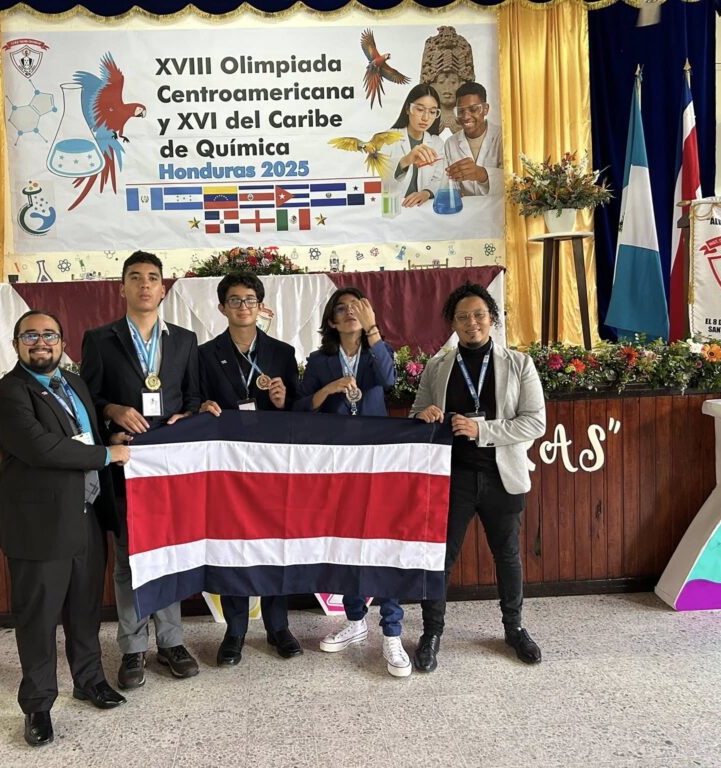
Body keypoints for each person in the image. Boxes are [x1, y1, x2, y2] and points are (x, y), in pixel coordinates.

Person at [0, 310, 130, 747]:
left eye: (49, 335)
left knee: (85, 609)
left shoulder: (74, 383)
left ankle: (88, 681)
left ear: (62, 342)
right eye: (30, 335)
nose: (41, 342)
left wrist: (113, 443)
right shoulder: (8, 393)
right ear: (16, 345)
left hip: (86, 515)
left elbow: (86, 433)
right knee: (38, 618)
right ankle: (37, 706)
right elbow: (43, 447)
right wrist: (108, 456)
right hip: (39, 526)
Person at [410, 282, 545, 671]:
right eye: (463, 316)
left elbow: (534, 422)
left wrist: (482, 431)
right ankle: (432, 632)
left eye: (479, 315)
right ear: (452, 322)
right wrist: (423, 416)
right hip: (451, 479)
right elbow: (417, 411)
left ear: (492, 318)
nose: (472, 323)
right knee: (440, 558)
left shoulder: (519, 364)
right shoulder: (438, 367)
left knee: (507, 556)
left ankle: (514, 629)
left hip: (502, 477)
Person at [80, 251, 201, 688]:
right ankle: (132, 649)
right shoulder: (99, 339)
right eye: (136, 278)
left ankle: (171, 642)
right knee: (130, 558)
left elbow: (193, 400)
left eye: (153, 278)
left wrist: (187, 417)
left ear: (163, 288)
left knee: (168, 553)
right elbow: (85, 402)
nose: (145, 285)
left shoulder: (185, 341)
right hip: (125, 464)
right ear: (122, 287)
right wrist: (111, 410)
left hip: (168, 469)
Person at [295, 289, 410, 677]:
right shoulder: (319, 360)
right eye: (341, 309)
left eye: (357, 307)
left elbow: (389, 380)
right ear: (330, 320)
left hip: (378, 460)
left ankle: (392, 630)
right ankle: (355, 619)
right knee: (346, 541)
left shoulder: (378, 349)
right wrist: (328, 389)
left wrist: (374, 327)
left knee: (383, 542)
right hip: (338, 463)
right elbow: (301, 406)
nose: (349, 314)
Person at [196, 273, 302, 666]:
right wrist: (203, 406)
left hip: (273, 463)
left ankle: (278, 626)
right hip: (227, 463)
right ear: (222, 307)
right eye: (235, 300)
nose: (244, 306)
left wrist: (282, 398)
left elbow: (299, 408)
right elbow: (195, 399)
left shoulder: (282, 351)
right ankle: (235, 630)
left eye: (251, 299)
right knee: (233, 544)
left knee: (277, 542)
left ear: (261, 306)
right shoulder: (205, 354)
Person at [388, 84, 446, 208]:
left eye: (432, 112)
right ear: (408, 109)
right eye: (420, 109)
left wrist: (426, 193)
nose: (426, 118)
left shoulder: (437, 143)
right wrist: (406, 160)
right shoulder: (387, 139)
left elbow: (438, 179)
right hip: (393, 208)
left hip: (422, 209)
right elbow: (378, 180)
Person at [444, 82, 504, 197]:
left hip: (498, 210)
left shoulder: (502, 137)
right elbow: (450, 183)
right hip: (466, 210)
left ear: (485, 109)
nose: (466, 117)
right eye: (461, 111)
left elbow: (512, 179)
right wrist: (454, 192)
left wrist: (481, 174)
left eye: (473, 109)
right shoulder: (450, 143)